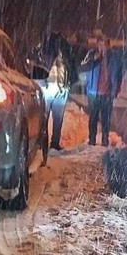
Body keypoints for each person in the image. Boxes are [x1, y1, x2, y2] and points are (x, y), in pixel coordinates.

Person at [28, 32, 77, 162]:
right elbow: (71, 68)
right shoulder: (59, 54)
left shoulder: (44, 52)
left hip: (53, 88)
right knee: (53, 118)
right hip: (56, 88)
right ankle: (49, 143)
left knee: (49, 118)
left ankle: (48, 143)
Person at [81, 33, 123, 146]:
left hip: (108, 93)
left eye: (104, 45)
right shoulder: (92, 54)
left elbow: (119, 74)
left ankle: (105, 140)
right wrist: (93, 59)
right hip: (93, 92)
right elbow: (82, 67)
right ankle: (92, 140)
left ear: (108, 46)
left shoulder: (114, 58)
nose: (102, 47)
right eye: (100, 44)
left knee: (106, 119)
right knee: (93, 118)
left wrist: (116, 89)